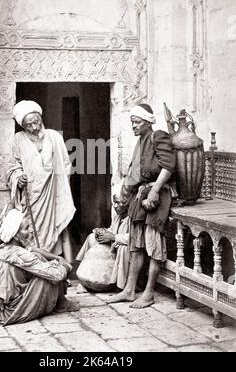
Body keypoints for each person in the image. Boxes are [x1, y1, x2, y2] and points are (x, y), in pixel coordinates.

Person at [107, 103, 176, 308]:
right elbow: (134, 175)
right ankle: (129, 290)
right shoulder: (140, 143)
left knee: (154, 246)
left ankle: (148, 293)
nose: (134, 126)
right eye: (132, 123)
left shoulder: (158, 136)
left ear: (147, 122)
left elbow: (168, 166)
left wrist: (154, 190)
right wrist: (124, 199)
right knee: (135, 246)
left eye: (137, 122)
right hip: (141, 195)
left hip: (157, 194)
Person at [7, 100, 75, 264]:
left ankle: (65, 270)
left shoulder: (54, 137)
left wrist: (59, 188)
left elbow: (65, 164)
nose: (34, 128)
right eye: (28, 125)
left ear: (41, 118)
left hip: (53, 193)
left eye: (36, 122)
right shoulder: (18, 139)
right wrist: (19, 176)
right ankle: (38, 269)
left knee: (60, 228)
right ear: (22, 126)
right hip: (31, 196)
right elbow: (12, 166)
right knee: (30, 232)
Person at [0, 210, 80, 326]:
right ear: (15, 234)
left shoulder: (3, 246)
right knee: (49, 274)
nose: (30, 231)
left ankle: (61, 302)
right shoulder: (18, 254)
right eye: (26, 228)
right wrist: (65, 266)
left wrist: (56, 257)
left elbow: (32, 249)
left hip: (2, 307)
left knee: (40, 257)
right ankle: (61, 303)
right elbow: (56, 275)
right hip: (12, 310)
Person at [75, 193, 130, 293]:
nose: (115, 206)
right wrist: (102, 232)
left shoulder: (132, 219)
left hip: (126, 251)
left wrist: (113, 237)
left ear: (127, 203)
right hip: (115, 245)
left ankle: (120, 286)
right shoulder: (118, 217)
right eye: (114, 203)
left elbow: (133, 238)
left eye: (118, 203)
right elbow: (112, 230)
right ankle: (84, 276)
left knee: (123, 248)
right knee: (92, 237)